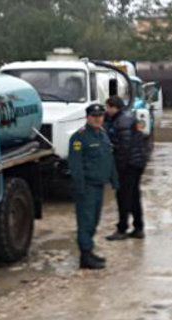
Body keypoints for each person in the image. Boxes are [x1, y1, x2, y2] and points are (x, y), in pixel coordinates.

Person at [68, 104, 119, 270]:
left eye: (100, 116)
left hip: (99, 186)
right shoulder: (79, 138)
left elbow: (108, 159)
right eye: (94, 116)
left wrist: (114, 180)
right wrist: (80, 188)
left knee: (94, 220)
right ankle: (85, 255)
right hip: (87, 187)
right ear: (87, 117)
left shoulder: (102, 134)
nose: (98, 119)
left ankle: (89, 251)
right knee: (85, 221)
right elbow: (75, 166)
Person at [104, 97, 145, 241]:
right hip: (136, 163)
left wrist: (118, 168)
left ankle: (122, 229)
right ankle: (138, 228)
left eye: (107, 107)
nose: (106, 110)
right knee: (133, 196)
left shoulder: (122, 122)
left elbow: (124, 147)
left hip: (128, 165)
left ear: (114, 107)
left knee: (123, 197)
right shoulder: (125, 118)